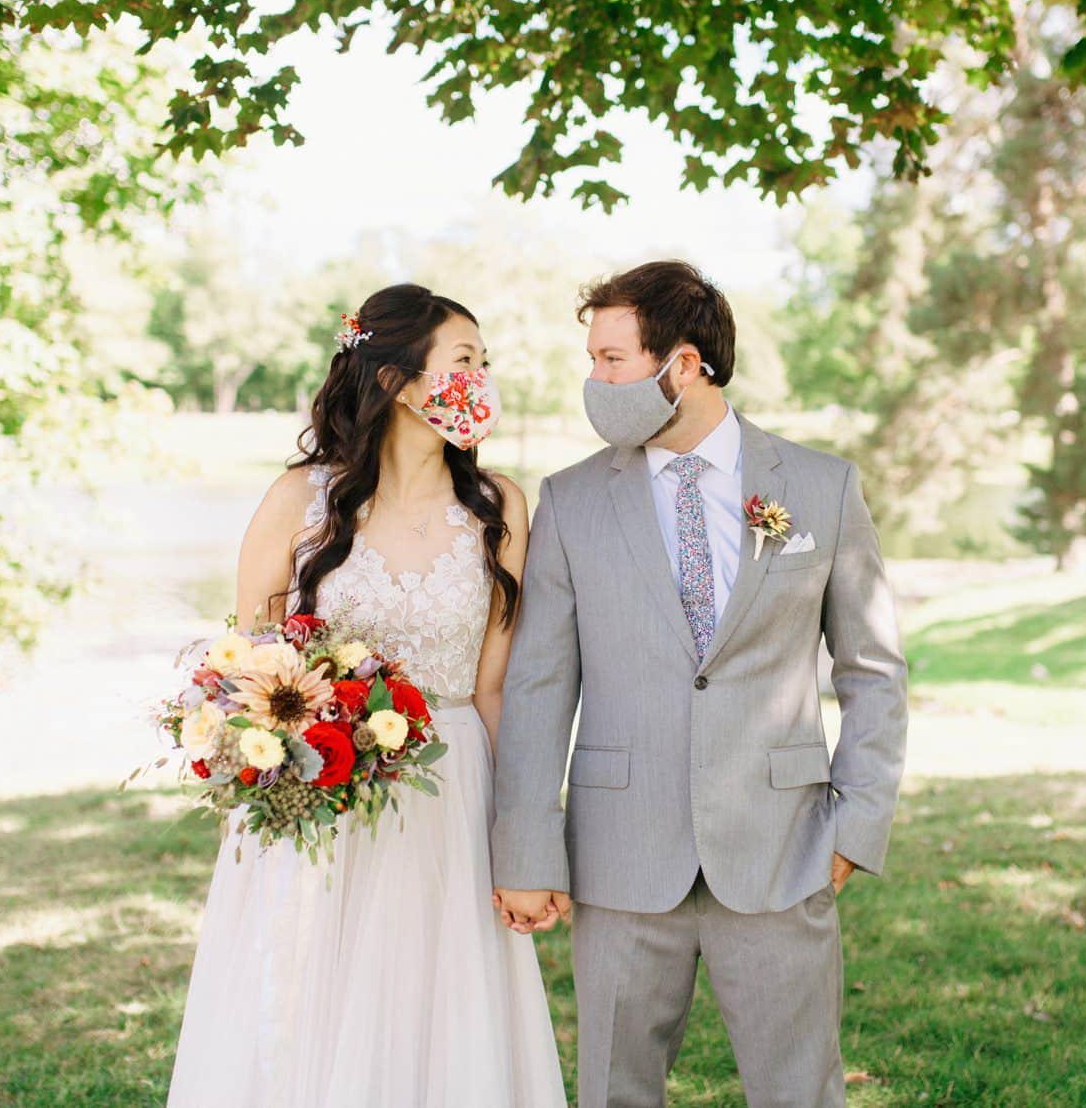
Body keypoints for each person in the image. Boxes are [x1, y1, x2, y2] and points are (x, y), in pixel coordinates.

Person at [491, 260, 909, 1108]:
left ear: (684, 365)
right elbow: (538, 686)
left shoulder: (822, 488)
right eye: (593, 359)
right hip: (618, 857)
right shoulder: (570, 500)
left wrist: (857, 820)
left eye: (613, 360)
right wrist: (528, 849)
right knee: (614, 1092)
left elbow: (873, 669)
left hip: (783, 849)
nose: (595, 380)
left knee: (801, 1092)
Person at [167, 284, 566, 1108]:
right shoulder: (299, 502)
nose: (481, 381)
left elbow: (495, 686)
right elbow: (252, 662)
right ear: (395, 379)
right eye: (464, 362)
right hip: (328, 806)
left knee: (443, 1017)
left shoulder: (499, 508)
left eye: (484, 364)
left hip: (451, 798)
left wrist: (522, 835)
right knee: (315, 1019)